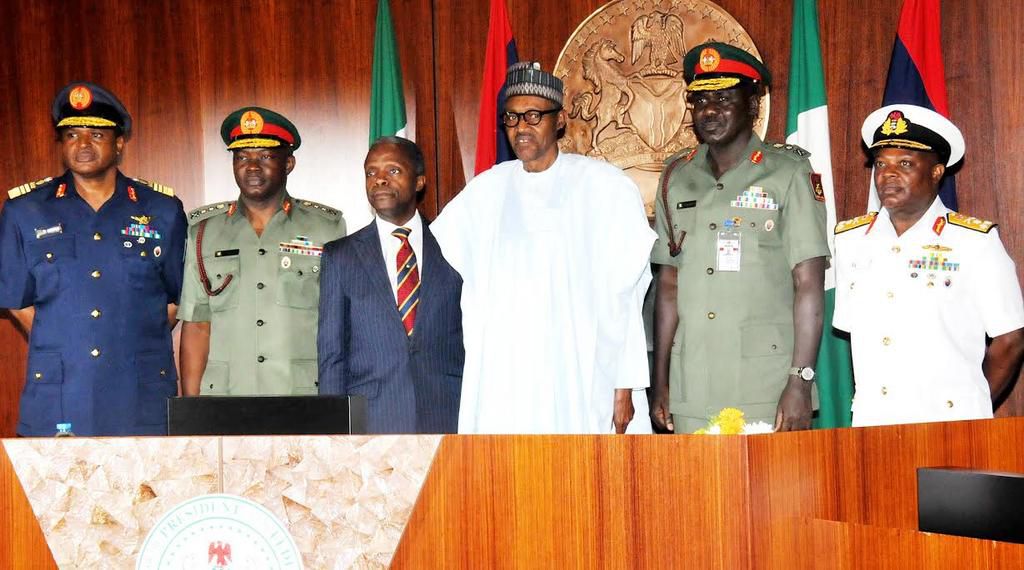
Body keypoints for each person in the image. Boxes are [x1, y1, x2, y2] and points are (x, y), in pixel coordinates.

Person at [431, 62, 655, 434]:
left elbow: (628, 295)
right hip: (506, 382)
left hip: (582, 373)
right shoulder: (485, 193)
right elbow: (440, 270)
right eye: (512, 118)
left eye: (534, 115)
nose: (522, 127)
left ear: (561, 120)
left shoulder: (605, 188)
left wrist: (625, 383)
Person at [650, 42, 829, 434]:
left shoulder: (788, 173)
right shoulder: (675, 178)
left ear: (752, 104)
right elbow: (668, 285)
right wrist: (660, 381)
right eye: (699, 101)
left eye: (723, 98)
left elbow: (809, 284)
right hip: (691, 383)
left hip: (767, 385)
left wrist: (800, 381)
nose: (709, 111)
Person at [0, 81, 186, 436]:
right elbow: (18, 302)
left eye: (96, 135)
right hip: (62, 391)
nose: (82, 145)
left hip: (139, 391)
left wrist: (124, 336)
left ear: (119, 143)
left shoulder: (162, 210)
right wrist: (72, 336)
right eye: (71, 135)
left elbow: (177, 300)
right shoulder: (25, 211)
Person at [833, 105, 1024, 426]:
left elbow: (1011, 338)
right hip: (874, 423)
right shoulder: (850, 240)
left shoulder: (973, 240)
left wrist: (968, 406)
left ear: (936, 172)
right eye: (881, 164)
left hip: (949, 423)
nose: (888, 174)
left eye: (905, 164)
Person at [178, 107, 346, 396]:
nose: (252, 166)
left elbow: (338, 325)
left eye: (265, 156)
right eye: (242, 157)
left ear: (288, 163)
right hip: (224, 399)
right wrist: (191, 411)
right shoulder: (202, 231)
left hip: (301, 397)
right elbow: (197, 326)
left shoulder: (327, 229)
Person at [318, 137, 464, 433]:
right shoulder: (341, 256)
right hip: (371, 422)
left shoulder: (455, 247)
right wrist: (332, 434)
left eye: (393, 170)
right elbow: (332, 355)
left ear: (420, 181)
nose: (379, 180)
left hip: (446, 416)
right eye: (371, 172)